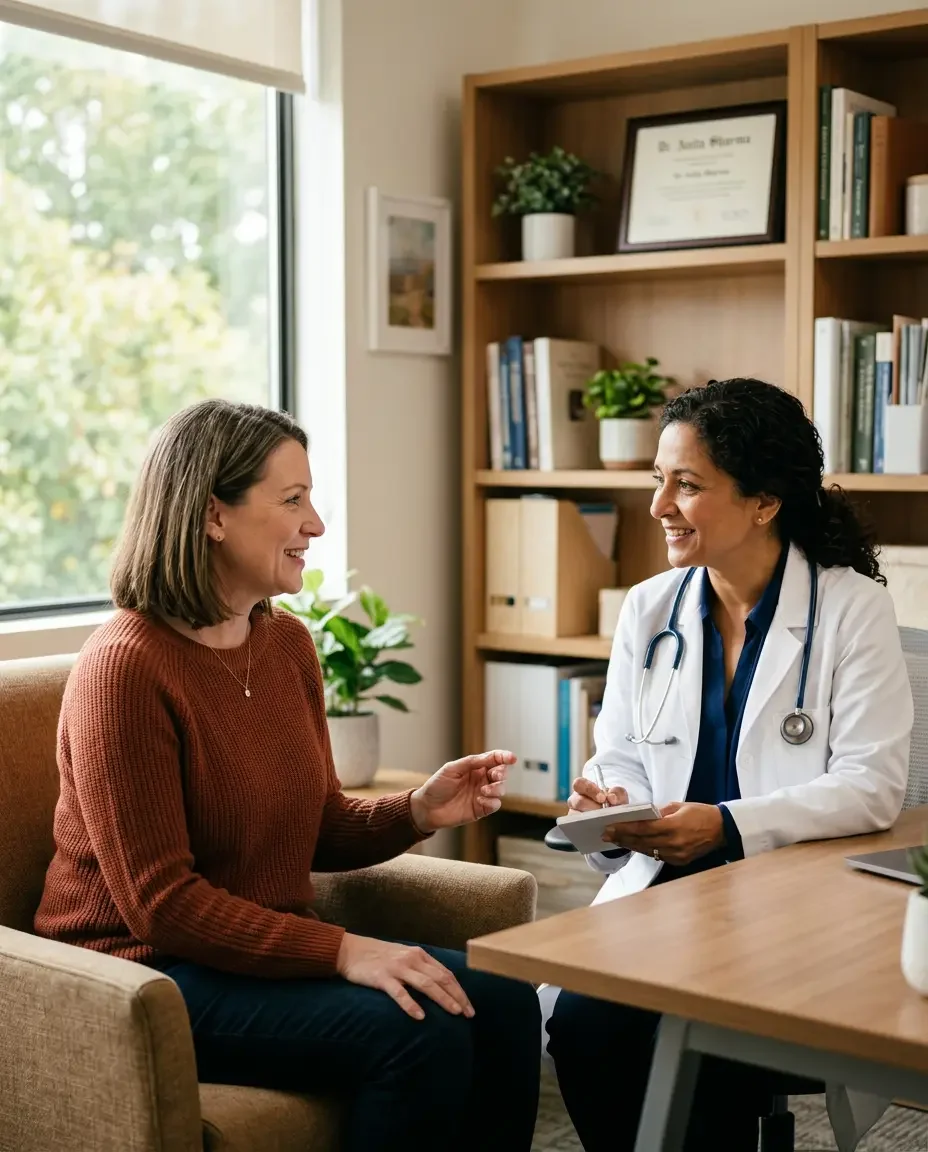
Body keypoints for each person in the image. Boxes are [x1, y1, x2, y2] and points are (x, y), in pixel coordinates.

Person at [34, 399, 541, 1152]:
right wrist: (343, 949)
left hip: (249, 956)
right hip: (144, 975)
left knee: (505, 1002)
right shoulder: (125, 669)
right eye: (293, 500)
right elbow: (162, 906)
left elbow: (316, 824)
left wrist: (418, 810)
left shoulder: (285, 644)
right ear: (213, 515)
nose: (317, 525)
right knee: (419, 1030)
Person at [544, 378, 913, 1152]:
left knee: (699, 1047)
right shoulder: (650, 609)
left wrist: (725, 826)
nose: (659, 506)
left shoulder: (850, 609)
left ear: (764, 502)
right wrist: (610, 808)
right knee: (582, 1027)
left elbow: (872, 786)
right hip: (664, 899)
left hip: (790, 907)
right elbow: (621, 755)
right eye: (658, 480)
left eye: (686, 484)